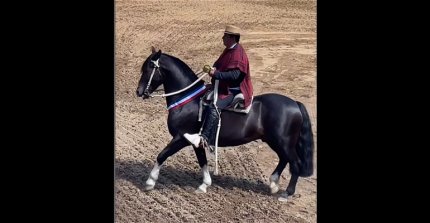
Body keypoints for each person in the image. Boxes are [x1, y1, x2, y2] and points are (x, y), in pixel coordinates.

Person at [183, 25, 253, 150]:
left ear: (231, 38)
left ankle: (205, 138)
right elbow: (220, 64)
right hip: (223, 85)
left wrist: (216, 74)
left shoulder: (238, 54)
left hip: (234, 89)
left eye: (225, 36)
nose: (222, 38)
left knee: (215, 105)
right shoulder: (230, 49)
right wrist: (213, 69)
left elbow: (235, 75)